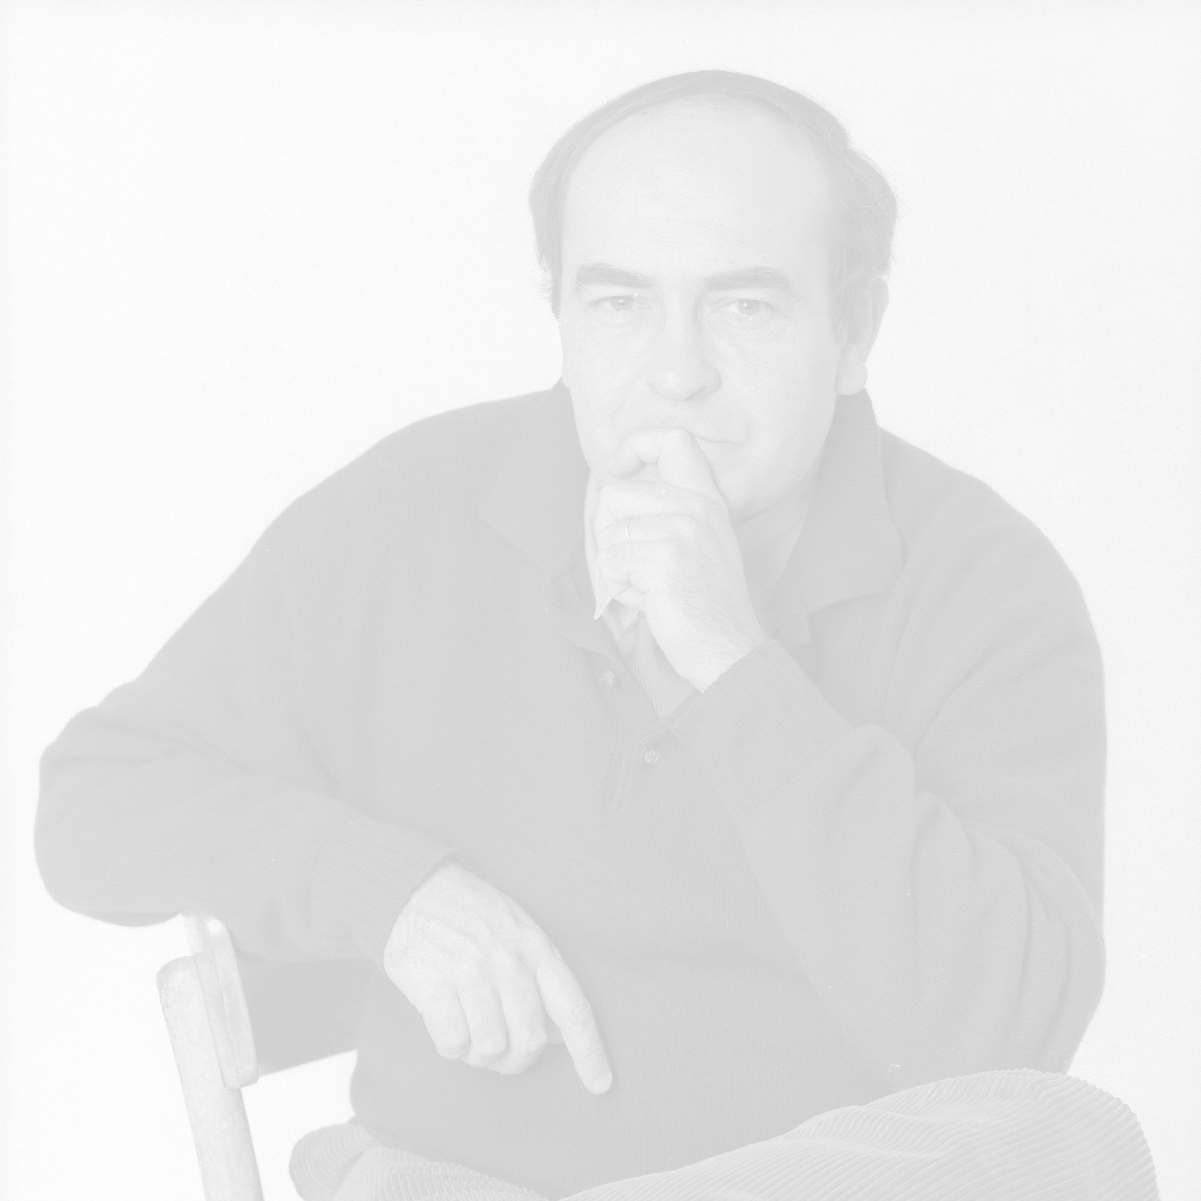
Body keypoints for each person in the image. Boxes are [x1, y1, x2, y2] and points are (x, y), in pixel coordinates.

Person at [35, 71, 1110, 1197]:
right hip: (453, 1182)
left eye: (744, 306)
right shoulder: (408, 513)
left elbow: (1011, 1032)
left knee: (1077, 1134)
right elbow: (96, 799)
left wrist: (731, 662)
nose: (677, 372)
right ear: (559, 314)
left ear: (854, 331)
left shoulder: (981, 580)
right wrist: (385, 888)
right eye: (618, 303)